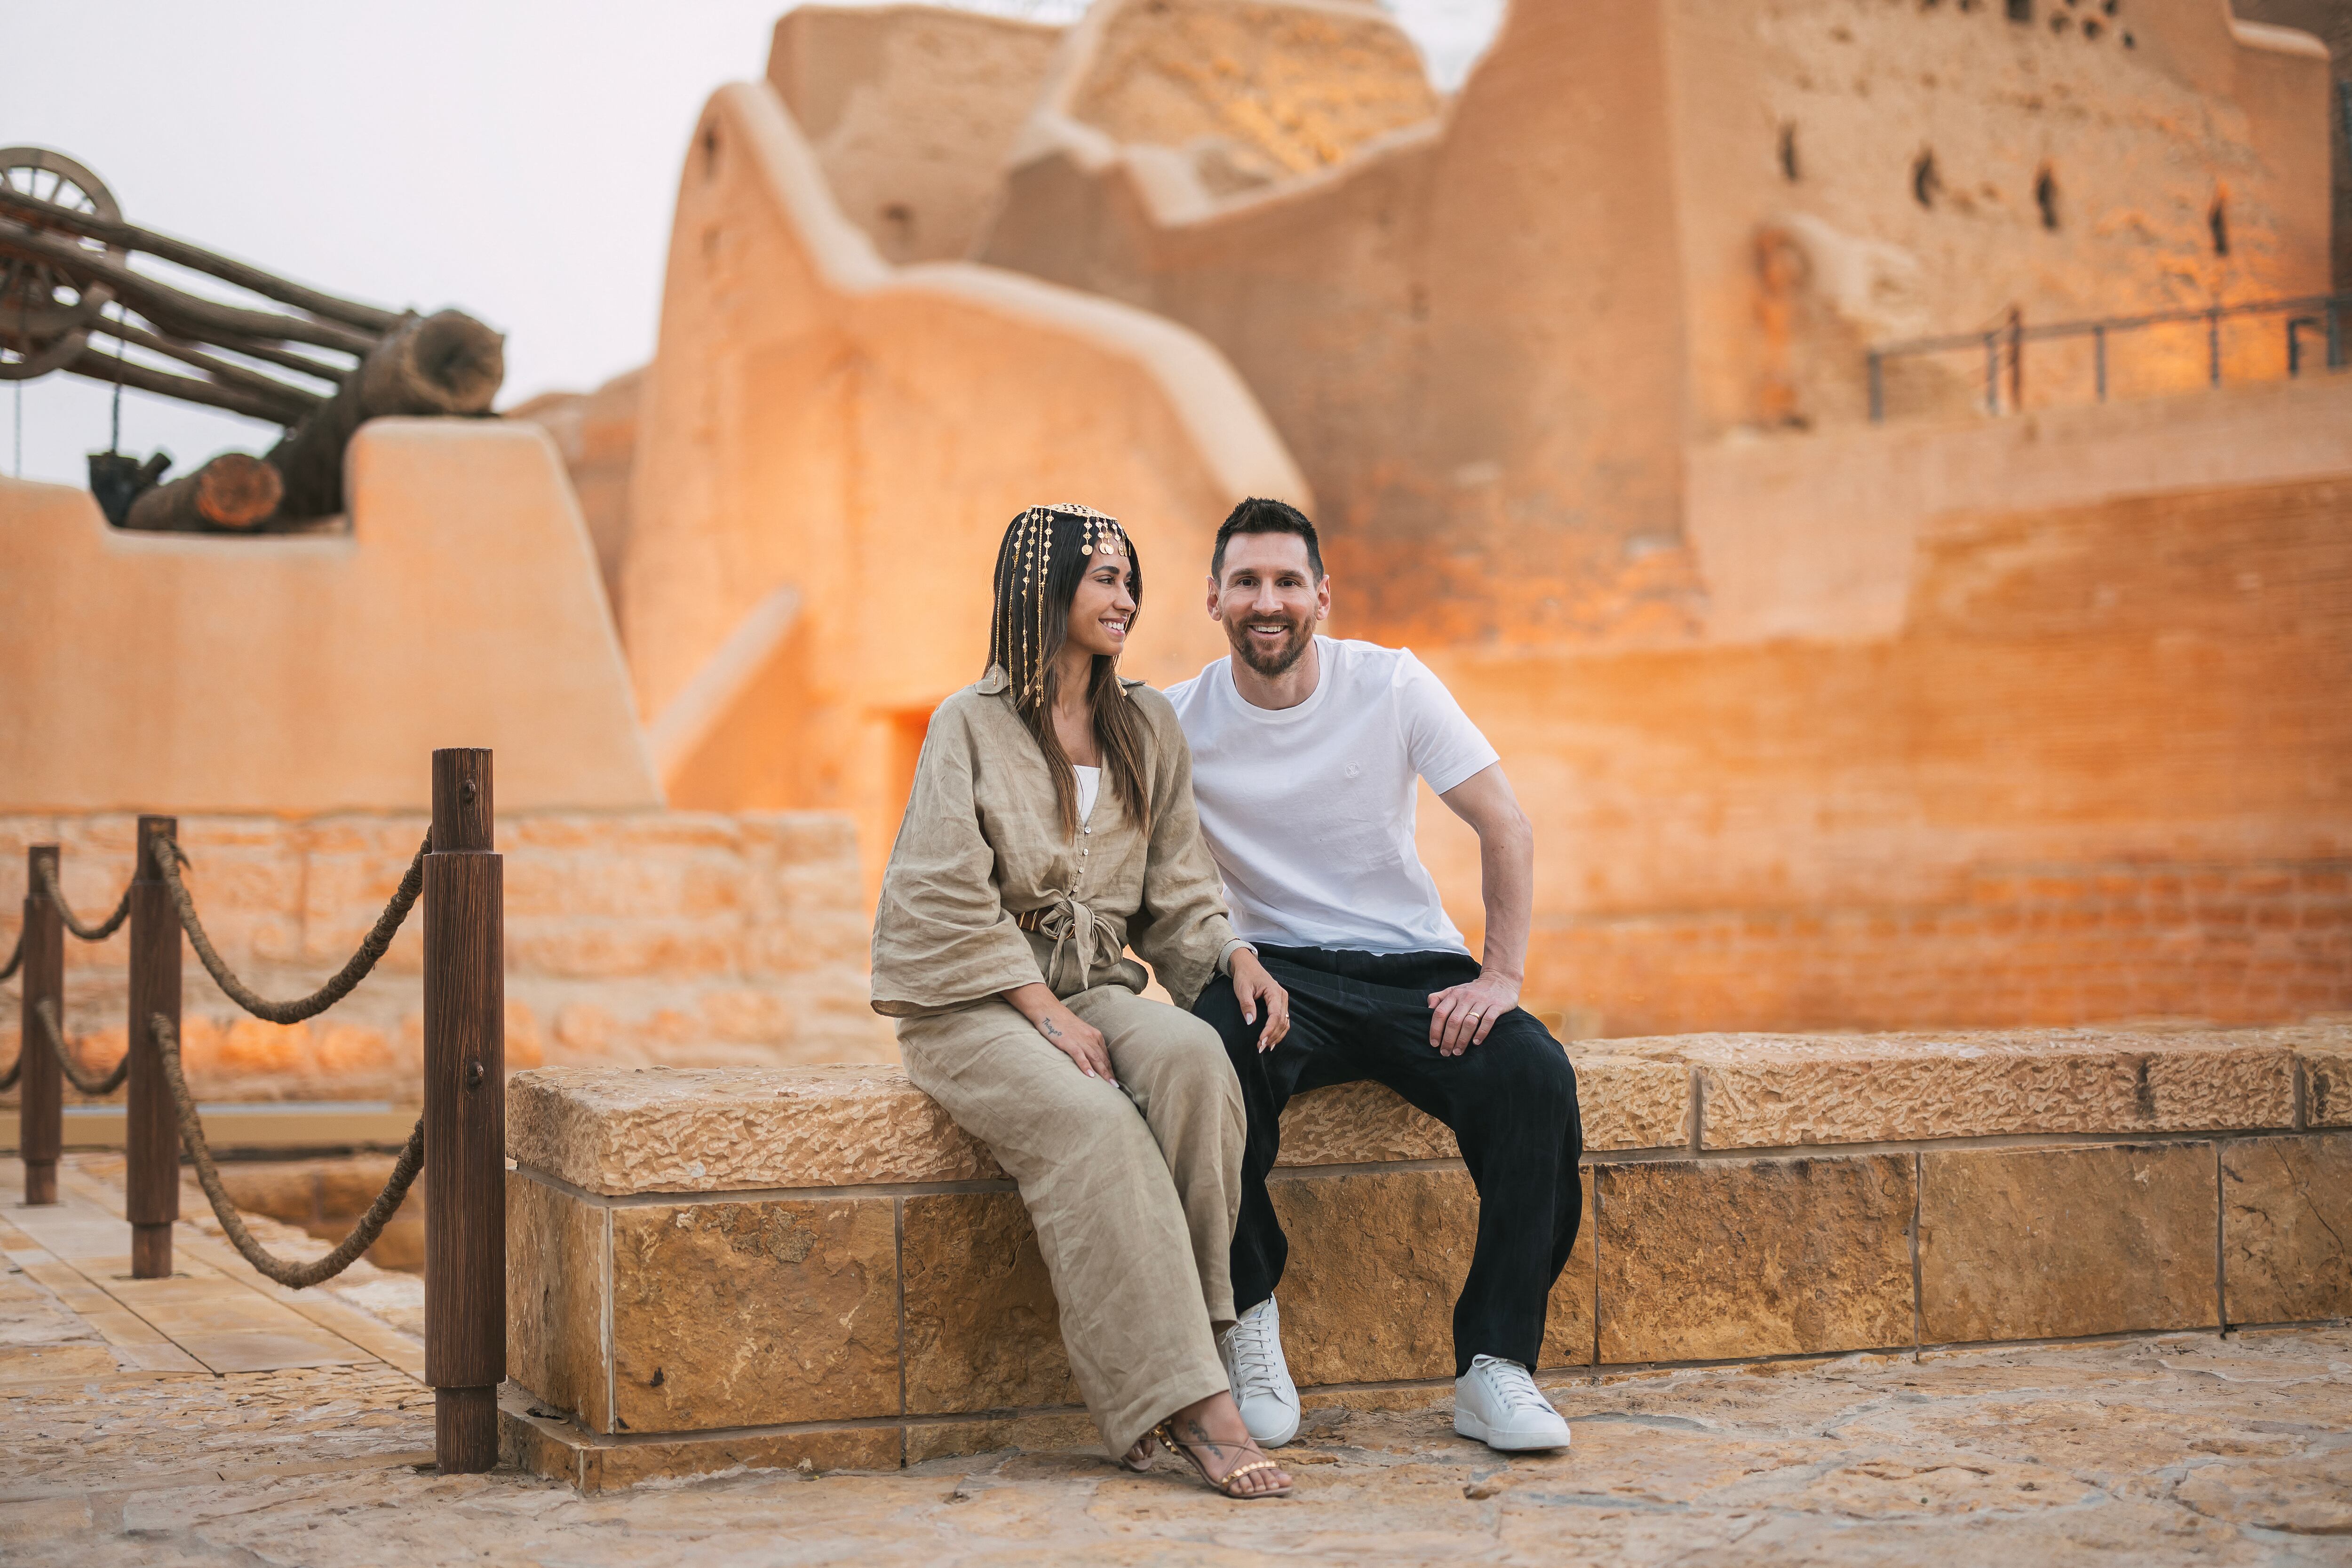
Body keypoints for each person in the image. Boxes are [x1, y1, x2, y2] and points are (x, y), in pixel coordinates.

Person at [871, 503, 1298, 1499]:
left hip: (1097, 985)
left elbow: (1178, 888)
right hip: (975, 1004)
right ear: (1047, 585)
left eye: (1130, 580)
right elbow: (942, 891)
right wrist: (1044, 1011)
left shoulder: (1144, 724)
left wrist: (1231, 954)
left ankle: (1199, 1346)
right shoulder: (967, 722)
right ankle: (1195, 1406)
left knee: (1197, 1061)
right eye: (1106, 577)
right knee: (1099, 1123)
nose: (1126, 598)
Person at [1167, 497, 1583, 1453]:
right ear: (1214, 598)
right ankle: (1250, 1317)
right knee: (1205, 1055)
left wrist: (1501, 974)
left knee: (1534, 1075)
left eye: (1286, 581)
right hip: (1274, 974)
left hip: (1412, 967)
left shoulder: (1391, 682)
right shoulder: (1177, 720)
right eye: (1245, 581)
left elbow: (1505, 822)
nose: (1267, 601)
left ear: (1321, 595)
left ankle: (1496, 1366)